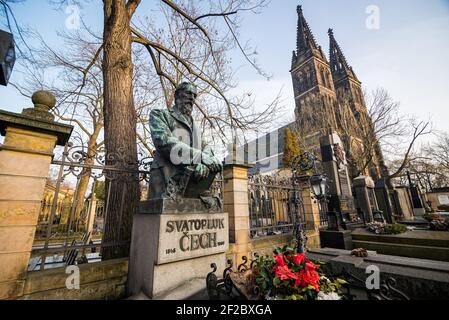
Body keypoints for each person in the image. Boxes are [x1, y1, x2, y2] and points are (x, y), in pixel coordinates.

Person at [148, 82, 222, 199]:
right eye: (188, 93)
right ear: (177, 95)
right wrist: (200, 158)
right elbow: (163, 141)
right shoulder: (160, 115)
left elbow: (205, 146)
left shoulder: (195, 126)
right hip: (166, 179)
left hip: (192, 183)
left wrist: (207, 162)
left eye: (194, 95)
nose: (192, 98)